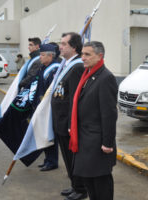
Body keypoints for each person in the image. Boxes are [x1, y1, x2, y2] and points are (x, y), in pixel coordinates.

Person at [70, 41, 118, 200]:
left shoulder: (105, 78)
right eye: (82, 54)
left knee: (100, 184)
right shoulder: (88, 75)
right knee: (89, 182)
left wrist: (108, 142)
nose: (82, 58)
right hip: (85, 139)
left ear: (100, 56)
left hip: (97, 143)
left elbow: (109, 114)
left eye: (87, 54)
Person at [51, 32, 87, 200]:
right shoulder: (66, 64)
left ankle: (80, 189)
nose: (60, 46)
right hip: (60, 120)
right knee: (66, 156)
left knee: (73, 157)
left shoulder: (78, 66)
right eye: (61, 43)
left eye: (64, 44)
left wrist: (71, 124)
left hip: (67, 121)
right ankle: (74, 185)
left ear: (74, 47)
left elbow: (74, 98)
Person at [34, 43, 61, 171]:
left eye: (42, 55)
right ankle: (47, 159)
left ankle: (52, 161)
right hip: (42, 107)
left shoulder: (54, 69)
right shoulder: (44, 67)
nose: (40, 57)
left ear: (50, 56)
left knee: (50, 135)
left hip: (49, 109)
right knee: (44, 135)